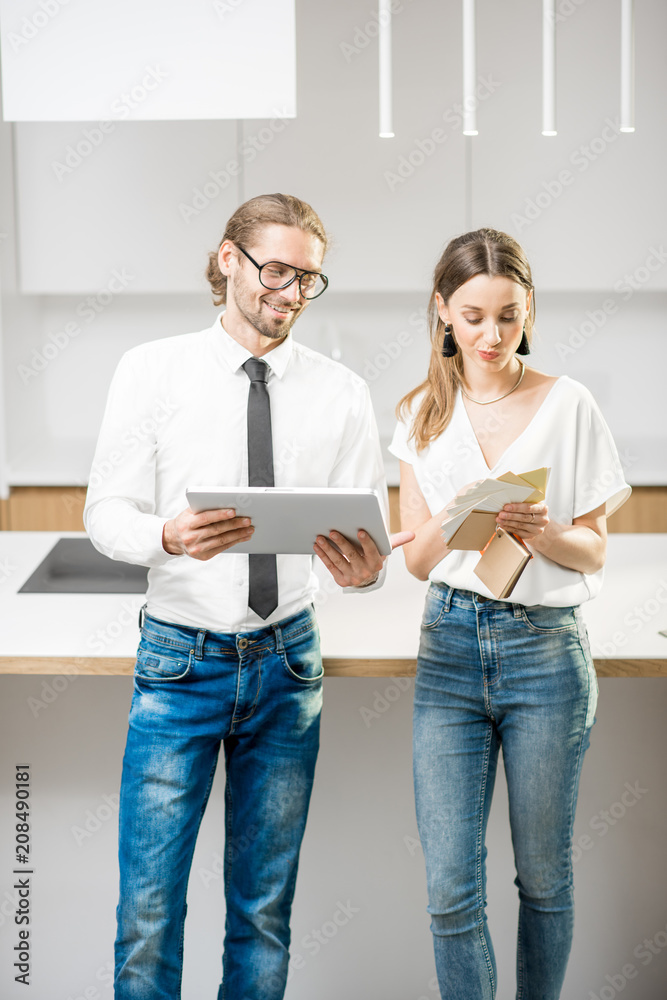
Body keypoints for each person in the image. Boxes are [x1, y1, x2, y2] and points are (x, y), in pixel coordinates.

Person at [84, 192, 411, 1000]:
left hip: (286, 664)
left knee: (264, 913)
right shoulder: (150, 370)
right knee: (149, 912)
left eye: (308, 279)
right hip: (178, 662)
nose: (290, 293)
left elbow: (364, 543)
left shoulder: (340, 391)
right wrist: (165, 536)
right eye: (276, 270)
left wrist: (361, 570)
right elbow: (104, 514)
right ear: (228, 259)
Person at [389, 228, 630, 1000]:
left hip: (544, 654)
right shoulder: (420, 412)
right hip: (450, 649)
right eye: (472, 316)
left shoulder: (567, 403)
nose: (490, 336)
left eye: (508, 315)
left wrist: (542, 531)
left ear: (528, 312)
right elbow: (420, 562)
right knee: (450, 890)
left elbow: (592, 551)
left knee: (543, 877)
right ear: (441, 313)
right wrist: (460, 512)